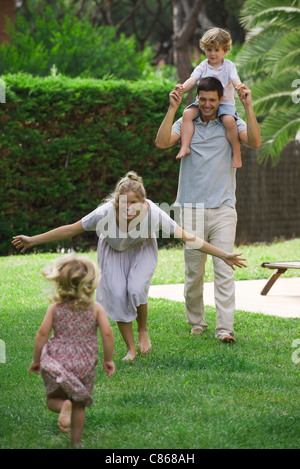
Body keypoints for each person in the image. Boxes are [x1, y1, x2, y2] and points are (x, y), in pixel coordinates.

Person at [13, 171, 247, 356]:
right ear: (116, 201)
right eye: (123, 202)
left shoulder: (153, 213)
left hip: (141, 250)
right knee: (116, 294)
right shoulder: (104, 212)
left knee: (135, 289)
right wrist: (33, 240)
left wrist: (223, 255)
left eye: (133, 203)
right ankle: (131, 348)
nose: (127, 207)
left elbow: (188, 237)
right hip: (113, 252)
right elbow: (71, 229)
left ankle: (143, 329)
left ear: (142, 202)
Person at [155, 78, 261, 342]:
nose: (207, 104)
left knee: (225, 267)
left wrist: (248, 107)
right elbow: (162, 142)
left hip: (223, 208)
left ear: (220, 99)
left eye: (212, 100)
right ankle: (196, 322)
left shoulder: (231, 123)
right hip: (189, 208)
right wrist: (172, 109)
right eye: (203, 99)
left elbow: (255, 142)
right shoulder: (186, 123)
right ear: (197, 98)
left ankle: (225, 329)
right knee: (194, 271)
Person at [28, 254, 115, 448]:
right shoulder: (95, 308)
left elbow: (42, 334)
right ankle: (76, 443)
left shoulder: (55, 308)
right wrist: (108, 360)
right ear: (91, 283)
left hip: (57, 361)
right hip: (84, 362)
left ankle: (62, 406)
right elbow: (107, 334)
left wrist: (36, 360)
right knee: (79, 404)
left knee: (52, 399)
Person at [175, 27, 243, 168]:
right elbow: (192, 79)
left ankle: (236, 153)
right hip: (203, 103)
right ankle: (185, 146)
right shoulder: (203, 66)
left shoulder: (228, 66)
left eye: (217, 50)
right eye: (209, 49)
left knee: (229, 121)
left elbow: (235, 79)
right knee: (187, 113)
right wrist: (182, 88)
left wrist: (239, 87)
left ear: (225, 51)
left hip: (224, 104)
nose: (212, 54)